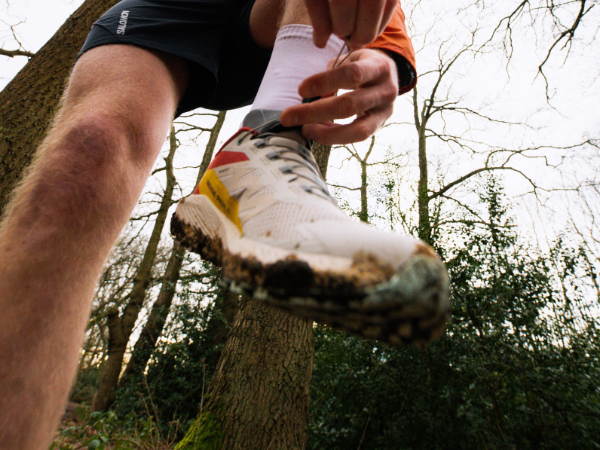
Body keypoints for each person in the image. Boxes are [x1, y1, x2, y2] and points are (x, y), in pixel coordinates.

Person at [0, 0, 449, 448]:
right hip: (171, 11)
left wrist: (383, 50)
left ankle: (264, 143)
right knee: (89, 149)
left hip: (289, 15)